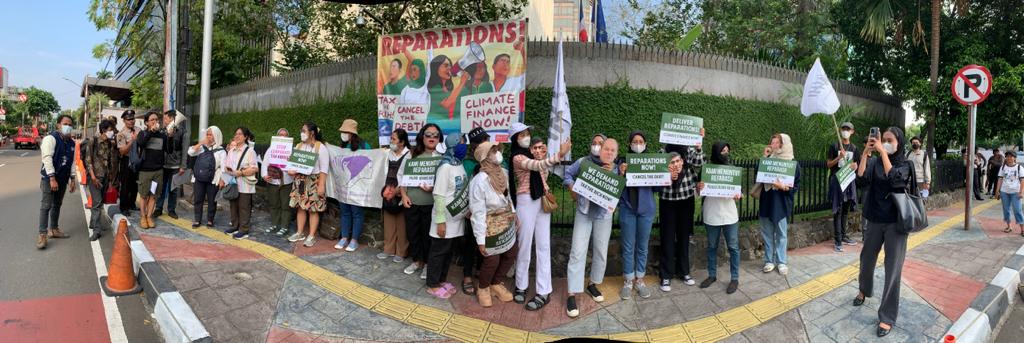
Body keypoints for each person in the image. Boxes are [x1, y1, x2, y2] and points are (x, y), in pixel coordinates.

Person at [853, 127, 914, 338]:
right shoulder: (874, 162)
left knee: (892, 268)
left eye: (889, 140)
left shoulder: (906, 164)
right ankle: (864, 290)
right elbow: (860, 179)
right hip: (874, 219)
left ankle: (887, 317)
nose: (885, 142)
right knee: (866, 259)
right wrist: (865, 154)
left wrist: (884, 154)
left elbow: (897, 181)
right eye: (882, 139)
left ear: (899, 143)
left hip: (896, 223)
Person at [509, 123, 571, 309]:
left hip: (541, 199)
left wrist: (544, 157)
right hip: (526, 200)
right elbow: (536, 166)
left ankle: (544, 290)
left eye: (527, 133)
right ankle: (521, 285)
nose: (526, 137)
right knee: (524, 245)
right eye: (522, 135)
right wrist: (558, 155)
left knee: (543, 245)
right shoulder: (517, 157)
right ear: (515, 139)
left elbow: (542, 172)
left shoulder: (533, 155)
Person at [563, 135, 620, 318]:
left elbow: (619, 190)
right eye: (596, 144)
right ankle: (572, 293)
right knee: (577, 251)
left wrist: (614, 173)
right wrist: (572, 188)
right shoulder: (583, 162)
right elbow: (568, 174)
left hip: (604, 215)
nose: (600, 148)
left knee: (601, 251)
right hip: (584, 212)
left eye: (604, 146)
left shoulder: (617, 168)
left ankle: (593, 283)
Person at [469, 141, 519, 307]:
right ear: (484, 157)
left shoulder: (503, 172)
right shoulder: (479, 181)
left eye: (498, 149)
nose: (497, 152)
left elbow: (508, 195)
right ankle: (483, 287)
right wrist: (480, 240)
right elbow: (477, 213)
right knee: (492, 259)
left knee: (511, 252)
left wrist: (513, 212)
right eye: (493, 151)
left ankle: (496, 283)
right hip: (488, 222)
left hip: (506, 220)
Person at [424, 133, 469, 299]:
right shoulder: (445, 167)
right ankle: (432, 284)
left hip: (456, 220)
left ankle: (441, 280)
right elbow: (439, 195)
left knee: (448, 252)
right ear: (453, 145)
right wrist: (441, 221)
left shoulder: (459, 164)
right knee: (438, 252)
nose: (464, 146)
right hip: (444, 220)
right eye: (461, 143)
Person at [695, 142, 743, 294]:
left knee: (734, 248)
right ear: (716, 152)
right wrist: (698, 188)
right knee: (712, 247)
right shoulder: (705, 170)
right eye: (723, 151)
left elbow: (738, 192)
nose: (725, 154)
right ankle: (712, 275)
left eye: (727, 151)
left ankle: (735, 278)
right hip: (712, 213)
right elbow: (697, 192)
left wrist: (738, 195)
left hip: (729, 214)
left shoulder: (732, 170)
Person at [659, 137, 705, 292]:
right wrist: (668, 175)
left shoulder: (689, 150)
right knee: (667, 236)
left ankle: (684, 271)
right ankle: (666, 275)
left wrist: (698, 148)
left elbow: (700, 164)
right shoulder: (662, 151)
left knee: (684, 236)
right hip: (668, 200)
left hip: (686, 199)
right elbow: (656, 174)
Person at [616, 131, 658, 300]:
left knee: (642, 245)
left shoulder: (652, 162)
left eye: (641, 141)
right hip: (628, 209)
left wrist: (664, 174)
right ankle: (628, 280)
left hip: (646, 210)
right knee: (627, 246)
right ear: (629, 144)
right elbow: (616, 187)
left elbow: (658, 188)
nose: (638, 144)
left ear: (645, 144)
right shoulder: (621, 162)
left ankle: (639, 279)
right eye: (635, 141)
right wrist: (621, 173)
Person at [399, 123, 443, 279]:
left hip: (431, 205)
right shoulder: (412, 155)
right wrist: (404, 195)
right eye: (428, 134)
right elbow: (401, 176)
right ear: (422, 136)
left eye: (435, 135)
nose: (432, 138)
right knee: (413, 235)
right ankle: (417, 261)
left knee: (428, 237)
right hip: (412, 203)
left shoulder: (442, 157)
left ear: (440, 138)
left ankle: (428, 264)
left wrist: (433, 188)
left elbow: (446, 182)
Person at [757, 133, 800, 276]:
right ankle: (769, 260)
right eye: (772, 143)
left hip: (781, 203)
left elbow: (796, 185)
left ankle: (781, 262)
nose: (773, 145)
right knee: (767, 233)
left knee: (781, 234)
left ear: (784, 145)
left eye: (777, 143)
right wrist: (765, 157)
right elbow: (758, 177)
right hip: (767, 201)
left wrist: (783, 187)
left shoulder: (792, 163)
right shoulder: (768, 160)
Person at [457, 127, 489, 296]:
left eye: (486, 140)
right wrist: (467, 209)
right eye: (480, 142)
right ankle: (467, 276)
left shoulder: (497, 160)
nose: (484, 144)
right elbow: (462, 188)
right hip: (472, 212)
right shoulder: (467, 163)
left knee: (486, 243)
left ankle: (480, 270)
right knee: (470, 243)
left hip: (491, 211)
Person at [36, 115, 77, 249]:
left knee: (57, 204)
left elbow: (72, 162)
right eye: (65, 123)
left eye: (70, 124)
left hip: (63, 179)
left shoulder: (71, 142)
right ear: (58, 125)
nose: (68, 126)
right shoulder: (50, 138)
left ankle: (54, 229)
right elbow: (47, 159)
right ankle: (42, 234)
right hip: (50, 179)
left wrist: (72, 178)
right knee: (46, 206)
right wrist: (52, 178)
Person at [288, 122, 331, 247]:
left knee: (313, 209)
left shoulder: (320, 147)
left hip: (314, 181)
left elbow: (324, 169)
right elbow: (293, 163)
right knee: (300, 207)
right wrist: (291, 170)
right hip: (300, 180)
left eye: (304, 130)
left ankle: (311, 235)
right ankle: (300, 232)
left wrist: (321, 185)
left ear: (312, 133)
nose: (301, 133)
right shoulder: (299, 146)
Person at [335, 119, 373, 251]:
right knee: (345, 211)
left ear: (352, 133)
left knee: (356, 212)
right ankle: (344, 237)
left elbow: (372, 160)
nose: (343, 134)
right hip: (344, 186)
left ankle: (354, 240)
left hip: (358, 186)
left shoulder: (364, 146)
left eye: (345, 132)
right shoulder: (342, 146)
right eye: (343, 132)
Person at [84, 119, 120, 241]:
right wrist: (93, 177)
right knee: (97, 203)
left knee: (99, 202)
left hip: (105, 177)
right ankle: (96, 231)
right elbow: (88, 160)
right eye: (111, 130)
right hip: (95, 177)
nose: (112, 132)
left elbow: (110, 161)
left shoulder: (109, 143)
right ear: (104, 130)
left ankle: (94, 223)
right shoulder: (93, 141)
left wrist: (110, 178)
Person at [827, 122, 860, 252]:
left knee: (846, 210)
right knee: (838, 210)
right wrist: (838, 157)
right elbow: (829, 164)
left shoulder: (854, 148)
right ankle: (838, 240)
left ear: (852, 131)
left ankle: (844, 235)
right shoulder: (834, 146)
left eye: (848, 129)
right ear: (840, 130)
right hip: (837, 181)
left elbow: (856, 164)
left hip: (848, 181)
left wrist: (855, 166)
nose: (845, 131)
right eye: (843, 129)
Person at [379, 129, 410, 262]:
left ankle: (401, 251)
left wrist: (398, 191)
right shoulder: (388, 154)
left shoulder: (409, 155)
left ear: (402, 142)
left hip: (401, 190)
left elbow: (407, 175)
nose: (391, 141)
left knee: (401, 222)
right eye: (391, 138)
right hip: (388, 190)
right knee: (389, 220)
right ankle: (388, 249)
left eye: (394, 139)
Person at [223, 127, 259, 239]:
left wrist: (241, 172)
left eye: (240, 134)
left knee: (244, 207)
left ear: (246, 137)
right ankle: (234, 226)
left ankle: (244, 230)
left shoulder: (250, 151)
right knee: (233, 206)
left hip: (245, 185)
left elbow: (255, 169)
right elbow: (227, 166)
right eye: (236, 134)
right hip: (233, 183)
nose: (237, 136)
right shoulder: (231, 151)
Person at [136, 111, 169, 230]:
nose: (155, 122)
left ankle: (149, 216)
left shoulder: (162, 135)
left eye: (156, 119)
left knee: (153, 195)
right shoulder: (143, 133)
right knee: (144, 196)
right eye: (152, 120)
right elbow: (141, 143)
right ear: (147, 123)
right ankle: (143, 217)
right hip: (145, 171)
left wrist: (169, 136)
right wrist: (151, 132)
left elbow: (168, 150)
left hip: (158, 172)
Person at [187, 126, 226, 228]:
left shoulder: (221, 151)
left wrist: (222, 180)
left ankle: (210, 220)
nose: (208, 136)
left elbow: (223, 168)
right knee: (198, 199)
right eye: (207, 134)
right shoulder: (202, 148)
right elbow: (190, 152)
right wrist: (201, 143)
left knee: (212, 200)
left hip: (213, 178)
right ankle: (197, 220)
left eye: (210, 134)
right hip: (199, 177)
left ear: (216, 136)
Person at [154, 110, 188, 219]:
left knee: (173, 189)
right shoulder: (162, 130)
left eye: (166, 118)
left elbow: (184, 149)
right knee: (161, 188)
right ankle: (158, 208)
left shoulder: (182, 132)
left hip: (176, 165)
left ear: (172, 119)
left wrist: (183, 166)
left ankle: (171, 209)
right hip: (163, 165)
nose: (164, 121)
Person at [262, 128, 295, 237]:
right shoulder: (271, 149)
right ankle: (275, 224)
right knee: (274, 203)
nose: (282, 137)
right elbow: (264, 163)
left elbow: (295, 165)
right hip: (273, 181)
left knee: (286, 205)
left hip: (287, 182)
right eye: (280, 135)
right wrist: (264, 175)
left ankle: (284, 226)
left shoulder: (292, 150)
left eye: (285, 135)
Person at [427, 55, 470, 130]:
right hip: (436, 128)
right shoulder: (434, 88)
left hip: (449, 127)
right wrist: (462, 83)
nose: (449, 68)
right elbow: (447, 104)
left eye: (450, 66)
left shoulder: (448, 89)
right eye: (446, 65)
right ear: (436, 68)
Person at [116, 110, 141, 215]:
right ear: (124, 120)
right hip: (126, 160)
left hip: (137, 160)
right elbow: (122, 151)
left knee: (135, 184)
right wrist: (132, 140)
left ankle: (132, 204)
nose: (131, 121)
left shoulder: (138, 130)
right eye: (129, 119)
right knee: (126, 185)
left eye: (133, 119)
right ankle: (123, 207)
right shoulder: (121, 134)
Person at [995, 153, 1024, 235]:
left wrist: (1021, 192)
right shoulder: (1003, 167)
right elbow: (1000, 179)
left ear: (1014, 158)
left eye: (1011, 156)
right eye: (1007, 156)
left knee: (1017, 210)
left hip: (1016, 192)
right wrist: (997, 191)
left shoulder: (1019, 167)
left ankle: (1022, 229)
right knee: (1006, 210)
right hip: (1004, 192)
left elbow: (1022, 180)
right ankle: (1009, 226)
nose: (1009, 158)